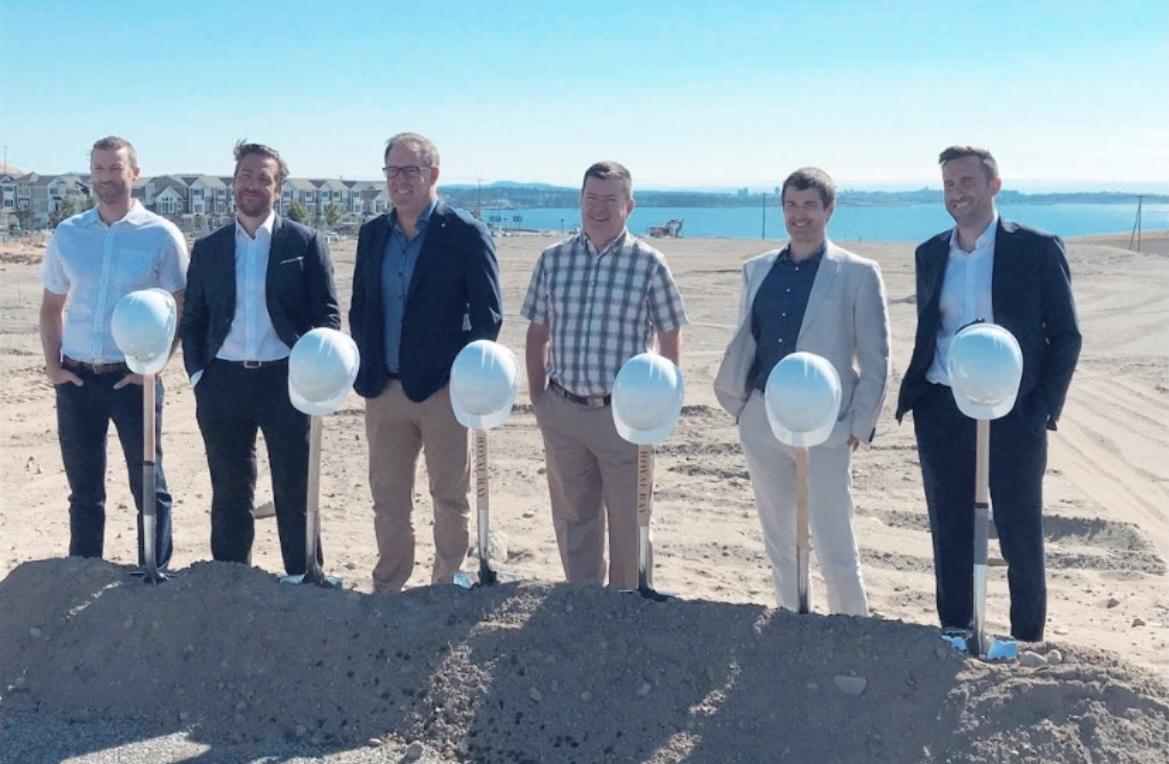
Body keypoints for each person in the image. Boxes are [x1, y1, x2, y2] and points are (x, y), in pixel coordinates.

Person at [896, 145, 1081, 642]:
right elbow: (930, 327)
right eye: (949, 184)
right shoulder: (930, 252)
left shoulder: (1037, 248)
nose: (957, 193)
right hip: (941, 408)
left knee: (1020, 529)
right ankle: (956, 631)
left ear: (993, 185)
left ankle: (1024, 640)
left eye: (966, 182)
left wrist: (1041, 408)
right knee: (950, 527)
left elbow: (1066, 335)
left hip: (1013, 413)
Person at [714, 167, 890, 615]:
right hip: (761, 417)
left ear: (829, 209)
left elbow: (875, 359)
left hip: (828, 424)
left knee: (834, 539)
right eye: (791, 205)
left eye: (810, 205)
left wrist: (860, 423)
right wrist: (742, 409)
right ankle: (793, 626)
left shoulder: (857, 273)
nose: (800, 215)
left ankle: (852, 627)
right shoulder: (756, 269)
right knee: (781, 539)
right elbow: (746, 338)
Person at [522, 160, 688, 589]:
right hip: (563, 410)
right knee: (574, 518)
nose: (598, 208)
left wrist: (660, 405)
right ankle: (583, 604)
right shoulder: (553, 260)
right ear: (580, 201)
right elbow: (537, 331)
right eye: (590, 199)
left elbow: (671, 335)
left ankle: (626, 605)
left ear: (628, 206)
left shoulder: (649, 263)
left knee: (630, 521)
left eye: (609, 200)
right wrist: (540, 400)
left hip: (625, 418)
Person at [349, 132, 502, 593]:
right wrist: (368, 368)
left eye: (410, 171)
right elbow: (360, 307)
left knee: (449, 498)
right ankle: (389, 585)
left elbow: (488, 316)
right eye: (392, 172)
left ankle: (446, 585)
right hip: (384, 389)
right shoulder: (373, 234)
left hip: (442, 392)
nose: (400, 181)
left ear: (432, 174)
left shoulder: (465, 233)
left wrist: (457, 373)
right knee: (388, 499)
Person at [180, 141, 340, 576]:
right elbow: (192, 318)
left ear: (279, 188)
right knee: (230, 490)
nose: (253, 185)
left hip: (287, 381)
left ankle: (305, 575)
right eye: (246, 176)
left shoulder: (304, 242)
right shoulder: (209, 247)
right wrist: (199, 375)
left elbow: (327, 316)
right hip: (223, 383)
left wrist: (318, 372)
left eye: (263, 178)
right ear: (234, 183)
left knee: (295, 488)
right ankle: (231, 580)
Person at [38, 135, 188, 567]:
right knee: (84, 490)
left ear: (134, 173)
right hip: (77, 378)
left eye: (115, 168)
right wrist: (53, 367)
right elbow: (51, 308)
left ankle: (153, 570)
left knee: (147, 484)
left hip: (134, 377)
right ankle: (83, 570)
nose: (106, 177)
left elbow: (181, 306)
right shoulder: (69, 234)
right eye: (99, 169)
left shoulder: (161, 235)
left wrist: (155, 368)